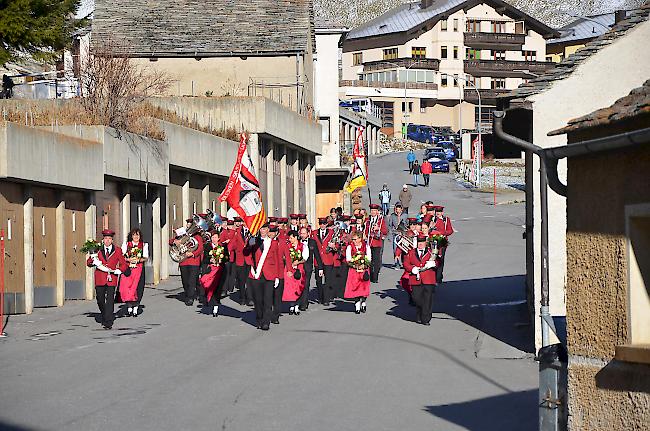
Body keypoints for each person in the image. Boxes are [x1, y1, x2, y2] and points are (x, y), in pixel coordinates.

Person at [86, 230, 129, 330]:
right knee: (100, 299)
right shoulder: (97, 250)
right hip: (100, 277)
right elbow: (88, 263)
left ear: (112, 240)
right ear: (103, 240)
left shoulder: (117, 250)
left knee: (110, 300)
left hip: (112, 278)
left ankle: (108, 321)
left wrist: (119, 270)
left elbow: (123, 264)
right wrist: (93, 261)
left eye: (109, 239)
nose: (107, 240)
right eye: (106, 238)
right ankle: (105, 314)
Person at [244, 223, 283, 331]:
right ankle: (259, 318)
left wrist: (277, 276)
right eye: (261, 228)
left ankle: (266, 322)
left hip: (269, 275)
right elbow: (246, 254)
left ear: (268, 230)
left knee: (267, 300)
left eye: (265, 228)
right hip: (256, 274)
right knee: (258, 300)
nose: (263, 230)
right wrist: (248, 244)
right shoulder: (254, 241)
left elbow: (277, 260)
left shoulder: (273, 243)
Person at [403, 234, 438, 325]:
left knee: (428, 299)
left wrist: (434, 263)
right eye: (419, 242)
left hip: (428, 279)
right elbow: (406, 263)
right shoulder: (411, 252)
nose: (420, 244)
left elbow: (439, 262)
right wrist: (411, 269)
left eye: (422, 242)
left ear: (425, 243)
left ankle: (426, 319)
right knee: (416, 298)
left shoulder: (431, 252)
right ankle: (420, 313)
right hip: (416, 279)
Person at [170, 218, 204, 306]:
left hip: (194, 262)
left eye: (191, 224)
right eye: (188, 224)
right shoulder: (182, 235)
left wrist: (192, 253)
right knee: (185, 280)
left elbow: (200, 248)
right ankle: (187, 293)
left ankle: (190, 297)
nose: (189, 225)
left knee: (191, 280)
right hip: (183, 261)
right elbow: (171, 241)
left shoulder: (197, 236)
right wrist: (175, 241)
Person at [120, 228, 149, 317]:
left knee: (138, 288)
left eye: (137, 235)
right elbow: (122, 256)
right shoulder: (126, 245)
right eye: (134, 235)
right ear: (131, 236)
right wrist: (128, 259)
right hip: (128, 269)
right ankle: (129, 306)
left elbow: (146, 257)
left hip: (139, 268)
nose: (136, 237)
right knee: (127, 287)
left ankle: (136, 306)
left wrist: (139, 260)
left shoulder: (144, 245)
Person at [200, 231, 227, 317]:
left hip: (220, 270)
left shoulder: (223, 246)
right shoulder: (207, 246)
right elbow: (204, 259)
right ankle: (208, 300)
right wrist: (210, 260)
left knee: (217, 289)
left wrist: (221, 260)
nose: (213, 239)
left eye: (215, 237)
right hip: (210, 270)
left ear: (218, 238)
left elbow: (227, 258)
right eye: (212, 237)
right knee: (207, 286)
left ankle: (215, 308)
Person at [344, 231, 372, 314]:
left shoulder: (366, 246)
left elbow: (369, 258)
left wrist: (364, 265)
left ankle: (363, 302)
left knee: (364, 288)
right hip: (354, 271)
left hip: (364, 270)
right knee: (355, 288)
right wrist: (355, 265)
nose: (354, 241)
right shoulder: (350, 247)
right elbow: (348, 259)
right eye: (353, 239)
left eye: (355, 239)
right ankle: (357, 305)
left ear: (360, 239)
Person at [282, 230, 309, 315]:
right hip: (289, 268)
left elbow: (305, 258)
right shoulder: (287, 246)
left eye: (291, 237)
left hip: (299, 269)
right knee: (289, 287)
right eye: (289, 238)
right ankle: (291, 306)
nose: (290, 239)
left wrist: (297, 262)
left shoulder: (303, 246)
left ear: (296, 237)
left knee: (298, 287)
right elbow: (284, 256)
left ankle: (296, 306)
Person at [313, 217, 335, 305]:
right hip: (318, 260)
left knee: (327, 280)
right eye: (320, 224)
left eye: (324, 223)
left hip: (328, 260)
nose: (322, 225)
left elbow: (336, 244)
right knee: (318, 280)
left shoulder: (331, 232)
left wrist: (334, 246)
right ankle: (320, 296)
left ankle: (326, 299)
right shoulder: (314, 233)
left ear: (326, 224)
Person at [363, 203, 388, 283]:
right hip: (369, 242)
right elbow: (365, 231)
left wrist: (378, 228)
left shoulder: (381, 220)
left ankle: (375, 276)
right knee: (369, 260)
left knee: (376, 261)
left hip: (377, 243)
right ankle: (370, 274)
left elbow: (385, 231)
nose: (373, 212)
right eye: (372, 210)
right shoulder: (367, 220)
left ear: (377, 211)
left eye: (374, 210)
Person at [299, 226, 321, 311]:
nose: (302, 235)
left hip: (308, 266)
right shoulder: (297, 241)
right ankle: (299, 301)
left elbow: (317, 255)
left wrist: (320, 268)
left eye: (304, 233)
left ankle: (304, 303)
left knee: (306, 284)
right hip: (298, 266)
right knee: (299, 284)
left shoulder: (312, 242)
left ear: (308, 234)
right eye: (301, 233)